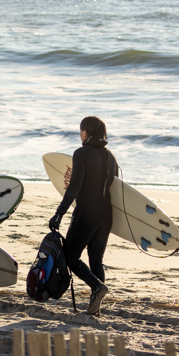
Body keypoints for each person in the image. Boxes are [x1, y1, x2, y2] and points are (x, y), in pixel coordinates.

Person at [48, 116, 117, 316]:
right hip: (106, 215)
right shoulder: (110, 156)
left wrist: (59, 213)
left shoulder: (81, 153)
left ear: (86, 132)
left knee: (70, 257)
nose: (80, 135)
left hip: (86, 214)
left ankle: (97, 287)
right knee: (96, 261)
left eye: (80, 131)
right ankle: (95, 306)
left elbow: (74, 187)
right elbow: (114, 186)